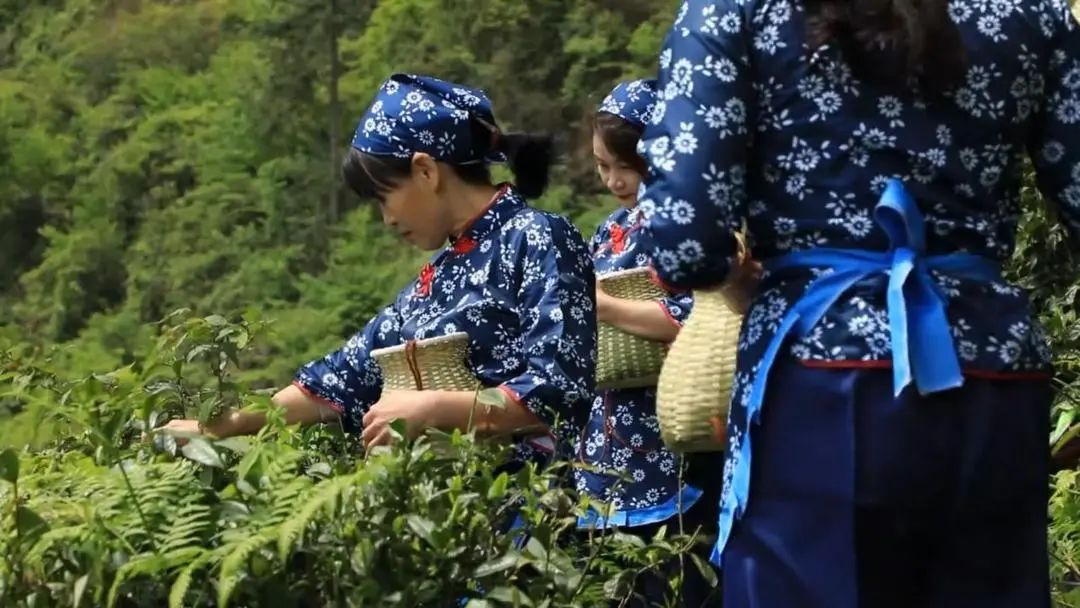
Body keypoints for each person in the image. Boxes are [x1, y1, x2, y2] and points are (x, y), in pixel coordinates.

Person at [637, 0, 1080, 606]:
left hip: (818, 366)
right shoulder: (1030, 12)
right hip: (993, 367)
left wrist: (732, 276)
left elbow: (685, 238)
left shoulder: (739, 11)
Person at [163, 73, 597, 468]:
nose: (386, 219)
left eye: (384, 197)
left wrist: (433, 410)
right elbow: (342, 379)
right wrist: (226, 425)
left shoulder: (537, 236)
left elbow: (561, 387)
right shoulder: (437, 279)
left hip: (540, 509)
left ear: (425, 171)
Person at [575, 79, 722, 607]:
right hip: (607, 443)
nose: (614, 180)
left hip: (673, 435)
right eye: (603, 166)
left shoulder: (689, 224)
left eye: (627, 167)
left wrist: (604, 305)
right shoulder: (608, 231)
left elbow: (700, 317)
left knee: (678, 580)